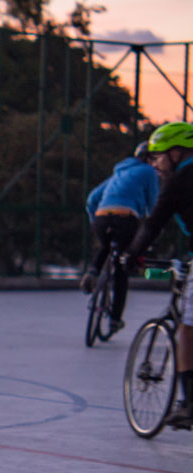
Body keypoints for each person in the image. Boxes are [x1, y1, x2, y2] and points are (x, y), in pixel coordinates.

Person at [125, 121, 193, 429]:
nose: (154, 164)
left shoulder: (179, 182)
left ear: (176, 153)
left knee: (187, 329)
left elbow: (154, 224)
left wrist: (133, 255)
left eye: (158, 156)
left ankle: (190, 404)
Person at [80, 141, 160, 334]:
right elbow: (154, 202)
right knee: (122, 266)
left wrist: (94, 219)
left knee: (105, 246)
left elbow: (92, 199)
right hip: (126, 216)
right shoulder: (149, 172)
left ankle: (92, 272)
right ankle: (115, 319)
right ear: (149, 159)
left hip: (101, 216)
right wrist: (151, 223)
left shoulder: (119, 173)